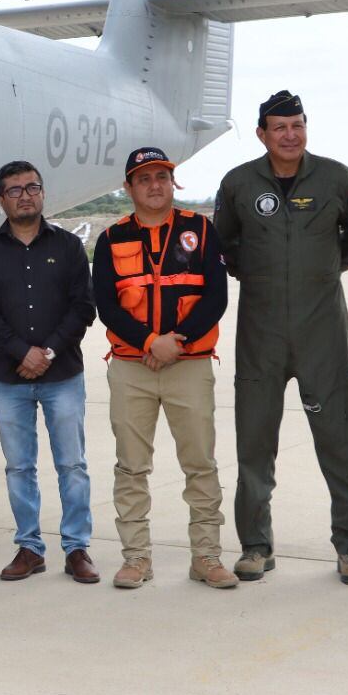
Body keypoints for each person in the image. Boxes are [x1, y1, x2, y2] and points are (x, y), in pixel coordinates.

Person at [214, 90, 348, 586]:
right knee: (255, 440)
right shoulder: (239, 183)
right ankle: (255, 546)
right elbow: (228, 247)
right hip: (260, 330)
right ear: (262, 133)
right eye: (279, 127)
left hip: (322, 328)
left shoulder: (337, 178)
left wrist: (321, 271)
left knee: (340, 436)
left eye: (298, 125)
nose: (290, 134)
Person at [94, 148, 236, 590]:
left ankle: (207, 557)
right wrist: (148, 343)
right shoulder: (111, 238)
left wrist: (177, 342)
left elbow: (216, 297)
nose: (155, 185)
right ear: (128, 187)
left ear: (173, 182)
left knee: (200, 463)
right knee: (131, 467)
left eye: (162, 176)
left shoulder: (199, 229)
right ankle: (136, 559)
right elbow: (106, 304)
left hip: (188, 364)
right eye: (144, 178)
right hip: (132, 366)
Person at [0, 160, 99, 583]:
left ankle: (77, 549)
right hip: (9, 380)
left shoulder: (68, 247)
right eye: (14, 190)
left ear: (42, 193)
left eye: (32, 187)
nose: (25, 195)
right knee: (19, 467)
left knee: (72, 465)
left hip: (62, 375)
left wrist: (47, 351)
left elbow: (83, 306)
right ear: (1, 199)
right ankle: (29, 547)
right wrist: (22, 352)